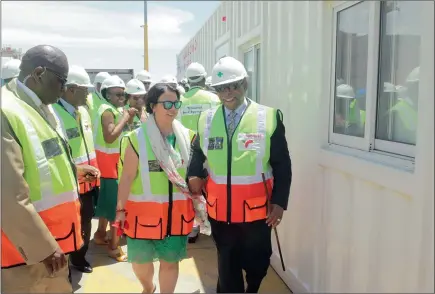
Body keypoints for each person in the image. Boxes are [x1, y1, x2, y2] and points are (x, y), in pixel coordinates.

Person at [187, 56, 292, 293]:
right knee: (228, 266)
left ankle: (253, 285)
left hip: (257, 212)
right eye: (222, 88)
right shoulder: (206, 119)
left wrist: (279, 202)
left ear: (245, 83)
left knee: (258, 263)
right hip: (220, 212)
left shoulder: (268, 117)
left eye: (234, 86)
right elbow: (197, 152)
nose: (228, 93)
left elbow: (282, 164)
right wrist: (193, 174)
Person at [1, 44, 100, 293]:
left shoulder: (39, 108)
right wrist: (42, 246)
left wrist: (72, 172)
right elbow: (8, 195)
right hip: (26, 257)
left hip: (54, 247)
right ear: (38, 74)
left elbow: (37, 163)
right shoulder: (6, 112)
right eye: (61, 81)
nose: (65, 89)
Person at [115, 83, 197, 293]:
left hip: (176, 216)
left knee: (170, 262)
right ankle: (148, 287)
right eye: (167, 103)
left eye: (176, 103)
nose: (173, 108)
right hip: (142, 217)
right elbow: (127, 178)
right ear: (153, 105)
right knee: (140, 263)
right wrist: (120, 209)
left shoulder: (188, 137)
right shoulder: (136, 139)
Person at [52, 65, 99, 274]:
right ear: (70, 90)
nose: (88, 93)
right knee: (70, 224)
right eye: (84, 89)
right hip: (68, 182)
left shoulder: (83, 112)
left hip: (88, 181)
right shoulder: (54, 114)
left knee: (86, 220)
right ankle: (69, 261)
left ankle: (79, 258)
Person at [93, 75, 137, 262]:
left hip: (107, 164)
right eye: (117, 94)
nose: (122, 97)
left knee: (107, 205)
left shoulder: (107, 108)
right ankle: (114, 246)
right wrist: (126, 117)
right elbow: (110, 136)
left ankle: (101, 234)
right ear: (106, 94)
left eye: (124, 94)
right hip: (110, 167)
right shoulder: (107, 111)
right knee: (116, 209)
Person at [178, 62, 220, 243]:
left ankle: (193, 228)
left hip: (186, 151)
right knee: (211, 187)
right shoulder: (213, 99)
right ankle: (212, 222)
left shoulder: (179, 101)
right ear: (204, 79)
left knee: (191, 190)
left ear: (188, 80)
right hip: (210, 150)